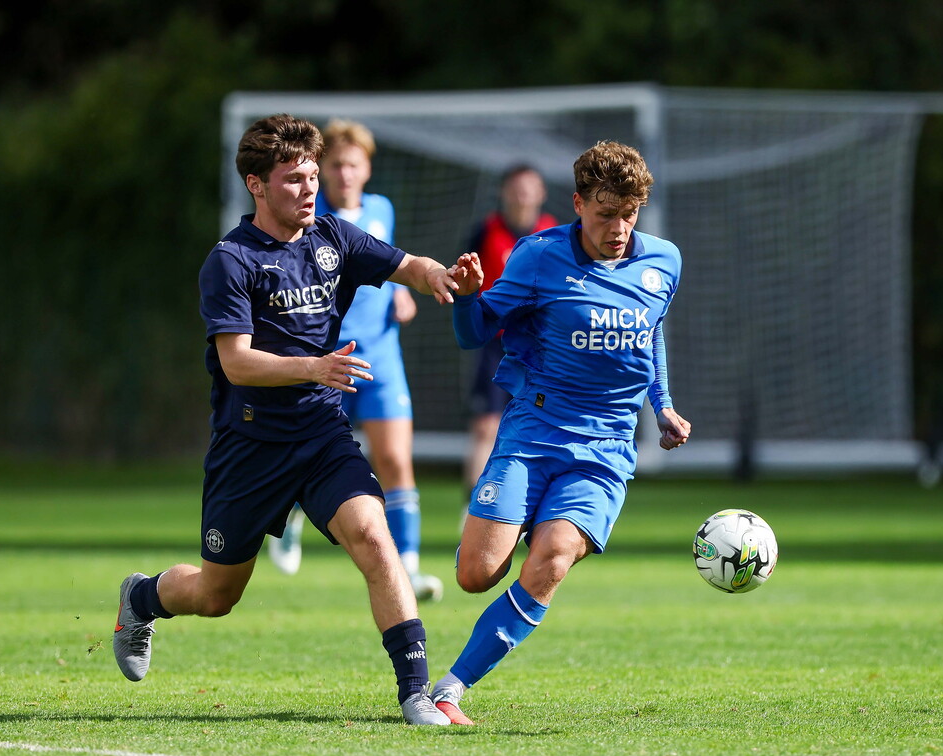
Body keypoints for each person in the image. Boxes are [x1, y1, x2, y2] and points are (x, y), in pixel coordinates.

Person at [112, 113, 475, 726]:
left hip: (320, 433)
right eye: (292, 179)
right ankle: (142, 597)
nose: (308, 189)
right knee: (215, 595)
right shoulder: (230, 260)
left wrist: (445, 277)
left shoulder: (335, 237)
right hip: (249, 445)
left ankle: (415, 693)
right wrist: (313, 366)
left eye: (312, 176)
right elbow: (237, 363)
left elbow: (407, 265)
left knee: (373, 537)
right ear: (256, 185)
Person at [431, 141, 692, 725]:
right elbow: (475, 334)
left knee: (550, 562)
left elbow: (651, 335)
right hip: (533, 433)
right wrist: (466, 299)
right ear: (577, 204)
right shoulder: (538, 257)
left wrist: (664, 406)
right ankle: (512, 522)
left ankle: (448, 689)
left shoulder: (664, 262)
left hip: (604, 451)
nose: (619, 227)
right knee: (476, 575)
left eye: (630, 213)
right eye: (605, 214)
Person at [268, 118, 443, 602]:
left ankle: (408, 567)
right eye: (336, 165)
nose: (345, 174)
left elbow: (385, 264)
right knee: (310, 456)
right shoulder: (312, 217)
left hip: (382, 356)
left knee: (393, 459)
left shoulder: (381, 209)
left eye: (354, 165)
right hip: (327, 359)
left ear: (367, 170)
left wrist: (402, 296)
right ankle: (287, 524)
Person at [463, 164, 558, 498]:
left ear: (541, 193)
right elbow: (464, 285)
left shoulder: (555, 234)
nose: (522, 194)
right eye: (516, 187)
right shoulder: (486, 231)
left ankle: (533, 507)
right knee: (486, 427)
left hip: (541, 349)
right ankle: (471, 508)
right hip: (496, 346)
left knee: (543, 425)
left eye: (529, 187)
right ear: (504, 192)